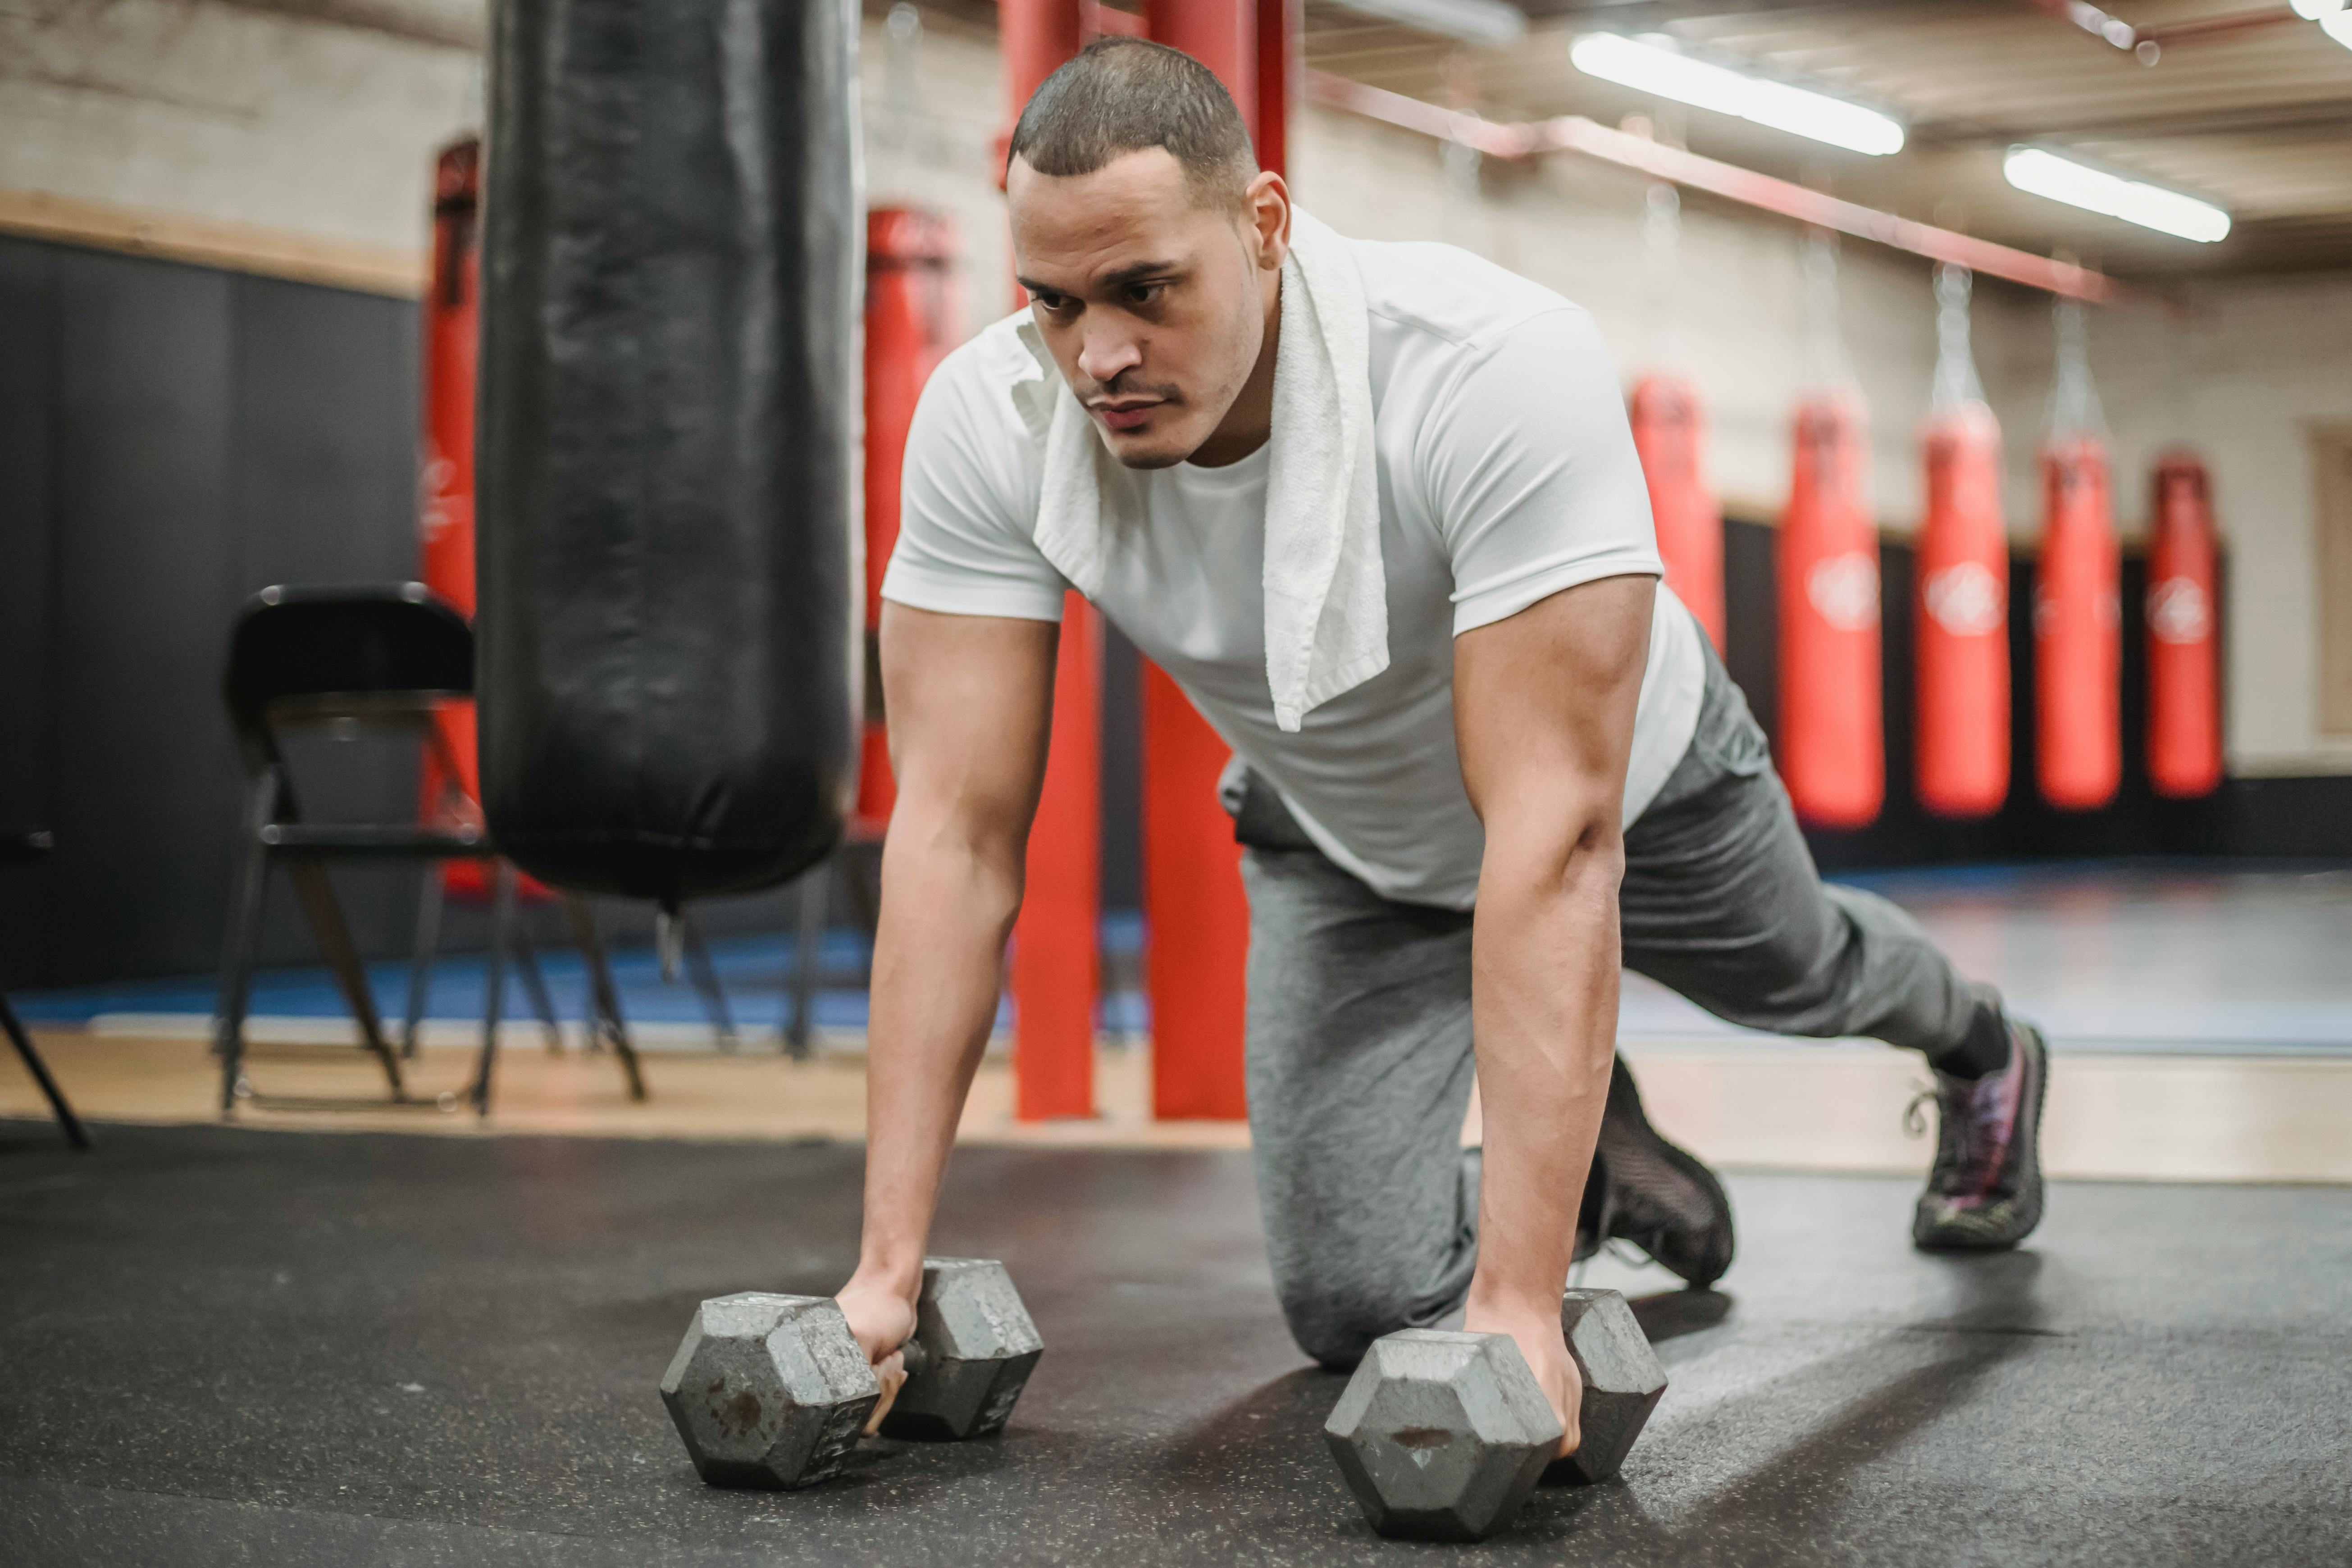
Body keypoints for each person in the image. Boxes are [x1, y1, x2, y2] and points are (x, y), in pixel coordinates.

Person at [832, 37, 2046, 1458]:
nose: (1099, 353)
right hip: (1342, 836)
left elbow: (1554, 831)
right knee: (1356, 1301)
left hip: (1632, 794)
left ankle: (1982, 1049)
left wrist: (1526, 1306)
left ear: (1264, 225)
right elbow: (954, 838)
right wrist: (880, 1275)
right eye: (1053, 302)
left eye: (1146, 290)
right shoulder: (995, 420)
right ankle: (1602, 1150)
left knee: (1805, 974)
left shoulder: (1484, 365)